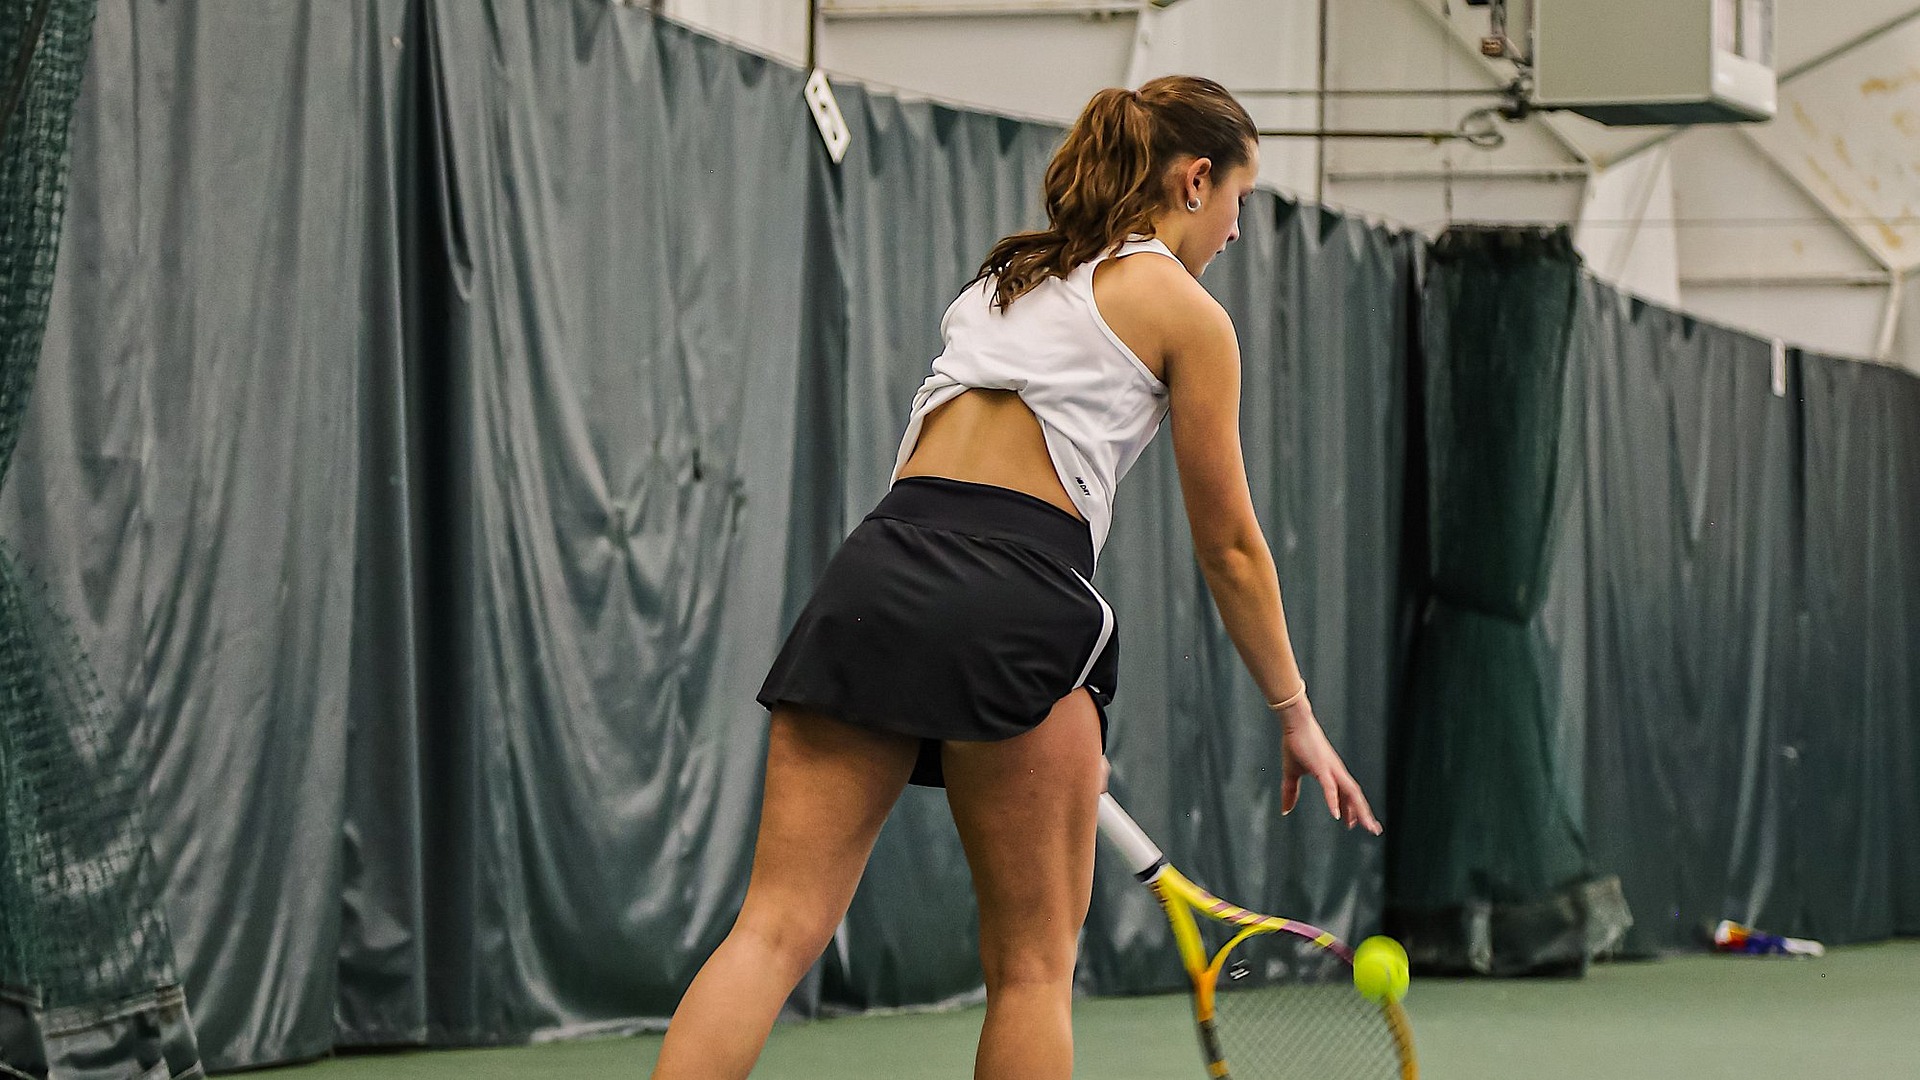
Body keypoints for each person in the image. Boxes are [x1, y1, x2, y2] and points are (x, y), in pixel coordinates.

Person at [649, 75, 1380, 1080]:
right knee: (1035, 970)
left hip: (878, 574)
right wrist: (1294, 711)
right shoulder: (1190, 314)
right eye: (1241, 201)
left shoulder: (1002, 280)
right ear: (1194, 179)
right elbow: (1231, 547)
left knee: (771, 930)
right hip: (1023, 593)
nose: (1239, 230)